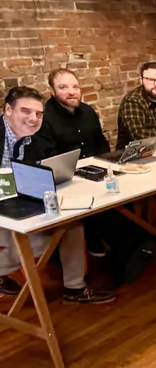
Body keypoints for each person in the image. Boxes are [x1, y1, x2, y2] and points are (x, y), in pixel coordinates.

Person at [0, 87, 114, 303]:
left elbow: (38, 167)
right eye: (26, 111)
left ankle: (74, 288)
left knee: (72, 223)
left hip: (22, 199)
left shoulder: (34, 137)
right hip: (3, 209)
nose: (34, 119)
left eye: (39, 113)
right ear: (8, 110)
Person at [27, 68, 109, 161]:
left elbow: (102, 145)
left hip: (96, 167)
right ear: (52, 91)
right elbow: (48, 159)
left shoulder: (88, 111)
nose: (71, 92)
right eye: (63, 87)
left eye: (75, 87)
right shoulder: (43, 117)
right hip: (62, 172)